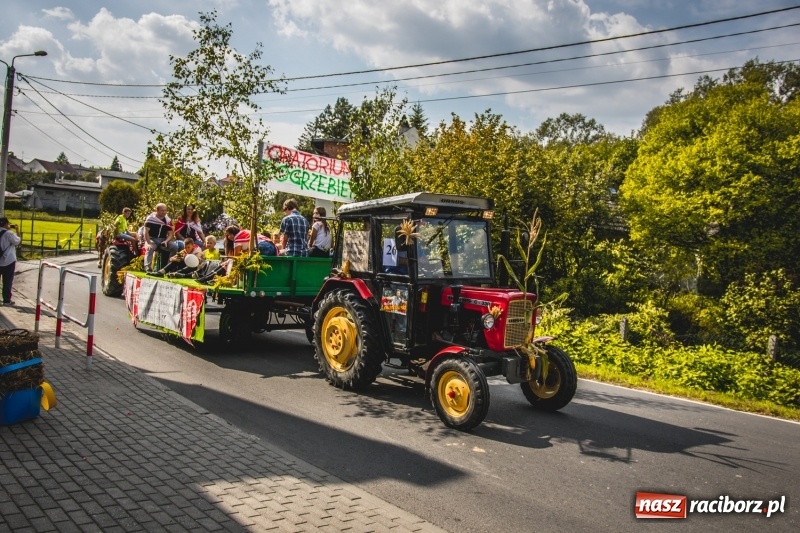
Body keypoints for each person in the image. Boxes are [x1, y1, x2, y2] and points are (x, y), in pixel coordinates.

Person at [143, 203, 178, 272]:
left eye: (165, 210)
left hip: (163, 240)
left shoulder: (167, 220)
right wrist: (149, 243)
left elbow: (171, 234)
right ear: (157, 210)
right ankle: (147, 268)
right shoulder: (151, 218)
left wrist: (166, 241)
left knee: (174, 247)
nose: (164, 212)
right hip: (152, 239)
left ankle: (167, 268)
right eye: (162, 210)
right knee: (150, 248)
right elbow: (145, 232)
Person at [0, 217, 22, 306]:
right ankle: (6, 300)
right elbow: (17, 241)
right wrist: (17, 231)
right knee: (7, 281)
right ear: (5, 224)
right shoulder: (9, 234)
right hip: (8, 261)